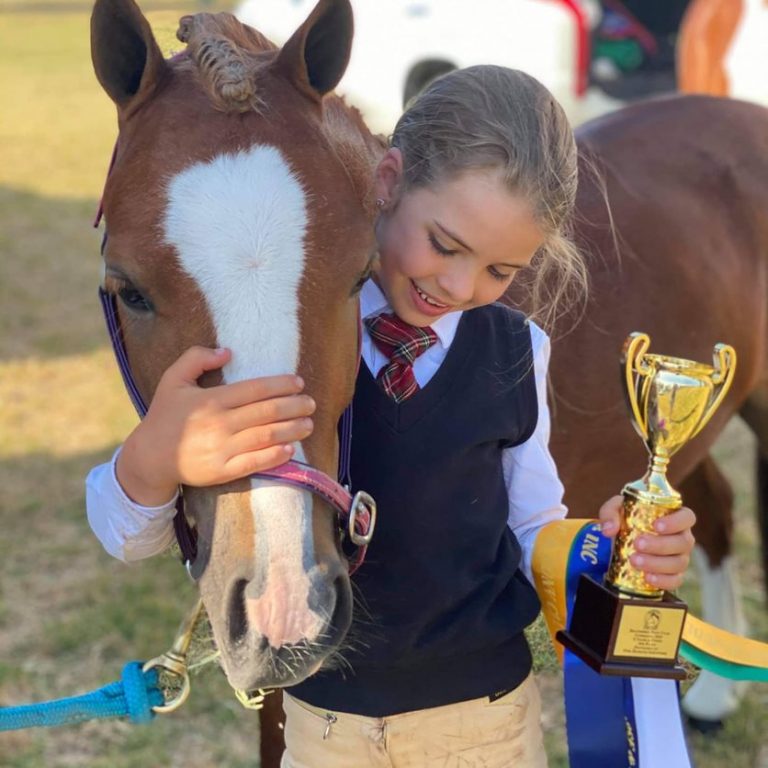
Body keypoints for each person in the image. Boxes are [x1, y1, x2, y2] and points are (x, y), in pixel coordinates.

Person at [86, 66, 696, 767]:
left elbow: (534, 527)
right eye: (444, 243)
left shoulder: (518, 349)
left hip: (484, 724)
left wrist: (615, 550)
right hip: (328, 729)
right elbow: (124, 535)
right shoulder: (296, 333)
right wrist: (157, 458)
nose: (461, 286)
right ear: (386, 181)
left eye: (501, 270)